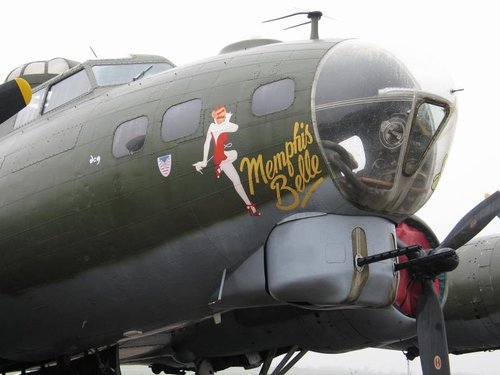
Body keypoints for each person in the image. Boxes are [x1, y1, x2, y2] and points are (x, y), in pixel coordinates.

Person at [193, 105, 261, 216]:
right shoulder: (222, 126)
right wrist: (227, 120)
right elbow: (235, 127)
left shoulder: (211, 127)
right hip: (221, 157)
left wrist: (204, 161)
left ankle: (249, 206)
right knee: (234, 154)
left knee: (236, 181)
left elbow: (206, 144)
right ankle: (220, 165)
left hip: (220, 156)